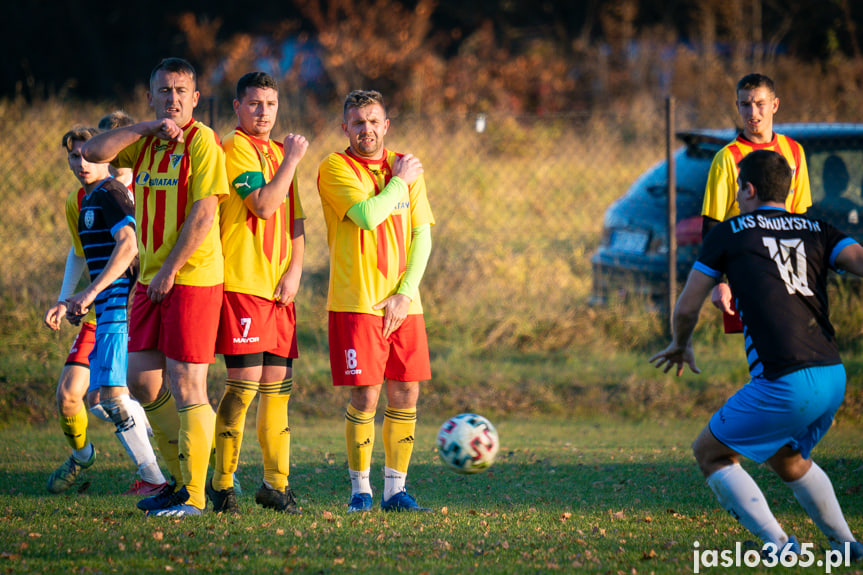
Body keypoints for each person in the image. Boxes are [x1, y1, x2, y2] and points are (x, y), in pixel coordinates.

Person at [650, 150, 863, 562]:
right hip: (833, 376)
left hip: (786, 380)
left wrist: (680, 343)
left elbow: (688, 305)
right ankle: (847, 545)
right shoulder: (817, 228)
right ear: (786, 190)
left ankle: (780, 547)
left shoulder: (732, 232)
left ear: (747, 189)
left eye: (738, 190)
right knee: (789, 459)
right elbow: (858, 260)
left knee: (711, 452)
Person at [82, 57, 228, 517]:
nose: (173, 99)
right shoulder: (143, 144)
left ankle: (196, 496)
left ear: (195, 98)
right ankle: (178, 480)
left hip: (192, 277)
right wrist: (146, 127)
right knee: (142, 382)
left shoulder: (203, 142)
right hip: (149, 281)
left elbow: (204, 215)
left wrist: (169, 271)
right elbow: (93, 152)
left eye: (181, 91)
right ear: (151, 97)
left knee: (189, 384)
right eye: (164, 91)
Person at [317, 90, 435, 513]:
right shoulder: (335, 167)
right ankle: (360, 491)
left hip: (405, 305)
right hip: (357, 302)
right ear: (345, 127)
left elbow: (423, 234)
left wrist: (405, 293)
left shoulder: (405, 166)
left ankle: (395, 491)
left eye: (373, 121)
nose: (366, 129)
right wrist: (400, 180)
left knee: (406, 393)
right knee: (366, 398)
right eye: (357, 123)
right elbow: (369, 215)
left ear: (386, 125)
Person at [207, 71, 308, 514]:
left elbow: (296, 219)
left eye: (269, 104)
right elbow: (265, 206)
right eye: (253, 104)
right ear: (237, 107)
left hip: (279, 289)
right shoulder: (236, 148)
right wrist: (291, 161)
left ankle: (274, 486)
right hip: (244, 286)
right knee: (243, 386)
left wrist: (296, 271)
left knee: (278, 389)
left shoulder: (283, 154)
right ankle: (221, 483)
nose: (262, 112)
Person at [46, 126, 167, 496]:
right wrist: (69, 298)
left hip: (119, 307)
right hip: (105, 308)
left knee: (114, 397)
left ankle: (158, 475)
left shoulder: (111, 193)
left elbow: (129, 245)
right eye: (73, 156)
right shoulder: (87, 199)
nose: (81, 162)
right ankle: (161, 469)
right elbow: (84, 255)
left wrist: (91, 292)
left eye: (88, 154)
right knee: (105, 398)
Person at [701, 73, 812, 330]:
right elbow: (711, 225)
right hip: (745, 268)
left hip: (788, 270)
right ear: (737, 106)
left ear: (774, 105)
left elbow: (801, 216)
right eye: (745, 104)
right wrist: (718, 281)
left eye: (760, 103)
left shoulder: (794, 151)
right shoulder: (727, 158)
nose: (753, 112)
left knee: (794, 344)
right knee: (760, 347)